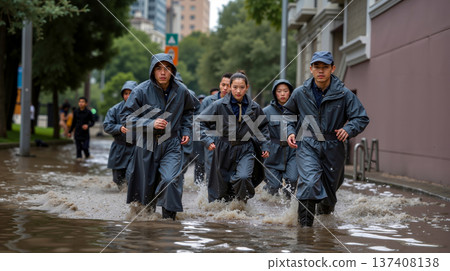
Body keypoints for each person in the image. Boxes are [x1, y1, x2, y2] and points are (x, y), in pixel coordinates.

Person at [283, 51, 369, 227]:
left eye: (325, 67)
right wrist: (290, 131)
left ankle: (324, 222)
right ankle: (304, 231)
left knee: (329, 196)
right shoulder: (300, 93)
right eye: (317, 67)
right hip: (307, 142)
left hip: (333, 146)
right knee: (309, 182)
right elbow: (287, 114)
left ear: (332, 69)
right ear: (311, 69)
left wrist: (348, 128)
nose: (320, 71)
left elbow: (361, 118)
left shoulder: (344, 94)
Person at [120, 53, 196, 220]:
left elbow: (188, 111)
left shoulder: (181, 91)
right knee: (147, 187)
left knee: (171, 179)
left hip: (171, 143)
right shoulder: (140, 91)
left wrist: (186, 131)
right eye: (159, 68)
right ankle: (148, 225)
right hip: (146, 143)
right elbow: (126, 119)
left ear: (172, 71)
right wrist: (150, 124)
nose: (163, 72)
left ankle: (169, 223)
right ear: (152, 71)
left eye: (167, 68)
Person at [199, 72, 270, 203]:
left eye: (242, 87)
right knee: (222, 187)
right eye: (235, 87)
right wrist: (207, 140)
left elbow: (263, 127)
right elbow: (199, 122)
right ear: (230, 87)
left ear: (247, 87)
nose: (238, 91)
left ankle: (241, 206)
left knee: (243, 177)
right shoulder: (219, 105)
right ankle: (225, 213)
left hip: (246, 148)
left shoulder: (254, 107)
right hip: (223, 147)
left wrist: (264, 145)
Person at [262, 79, 298, 198]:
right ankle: (268, 196)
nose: (282, 94)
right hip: (273, 153)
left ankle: (287, 209)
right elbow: (259, 132)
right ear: (274, 93)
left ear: (290, 93)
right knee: (274, 187)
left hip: (292, 152)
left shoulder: (297, 110)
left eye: (285, 91)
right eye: (279, 91)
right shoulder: (266, 112)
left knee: (292, 181)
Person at [103, 81, 138, 190]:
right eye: (125, 93)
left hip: (135, 148)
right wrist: (118, 128)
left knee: (131, 175)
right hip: (119, 148)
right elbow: (106, 126)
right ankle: (122, 193)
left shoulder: (142, 109)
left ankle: (131, 196)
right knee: (118, 179)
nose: (128, 96)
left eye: (130, 93)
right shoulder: (114, 110)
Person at [199, 73, 232, 181]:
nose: (225, 88)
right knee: (211, 173)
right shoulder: (208, 101)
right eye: (223, 84)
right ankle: (210, 196)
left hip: (229, 142)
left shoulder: (235, 102)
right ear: (219, 84)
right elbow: (199, 122)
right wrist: (207, 141)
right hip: (211, 141)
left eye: (228, 85)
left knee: (228, 173)